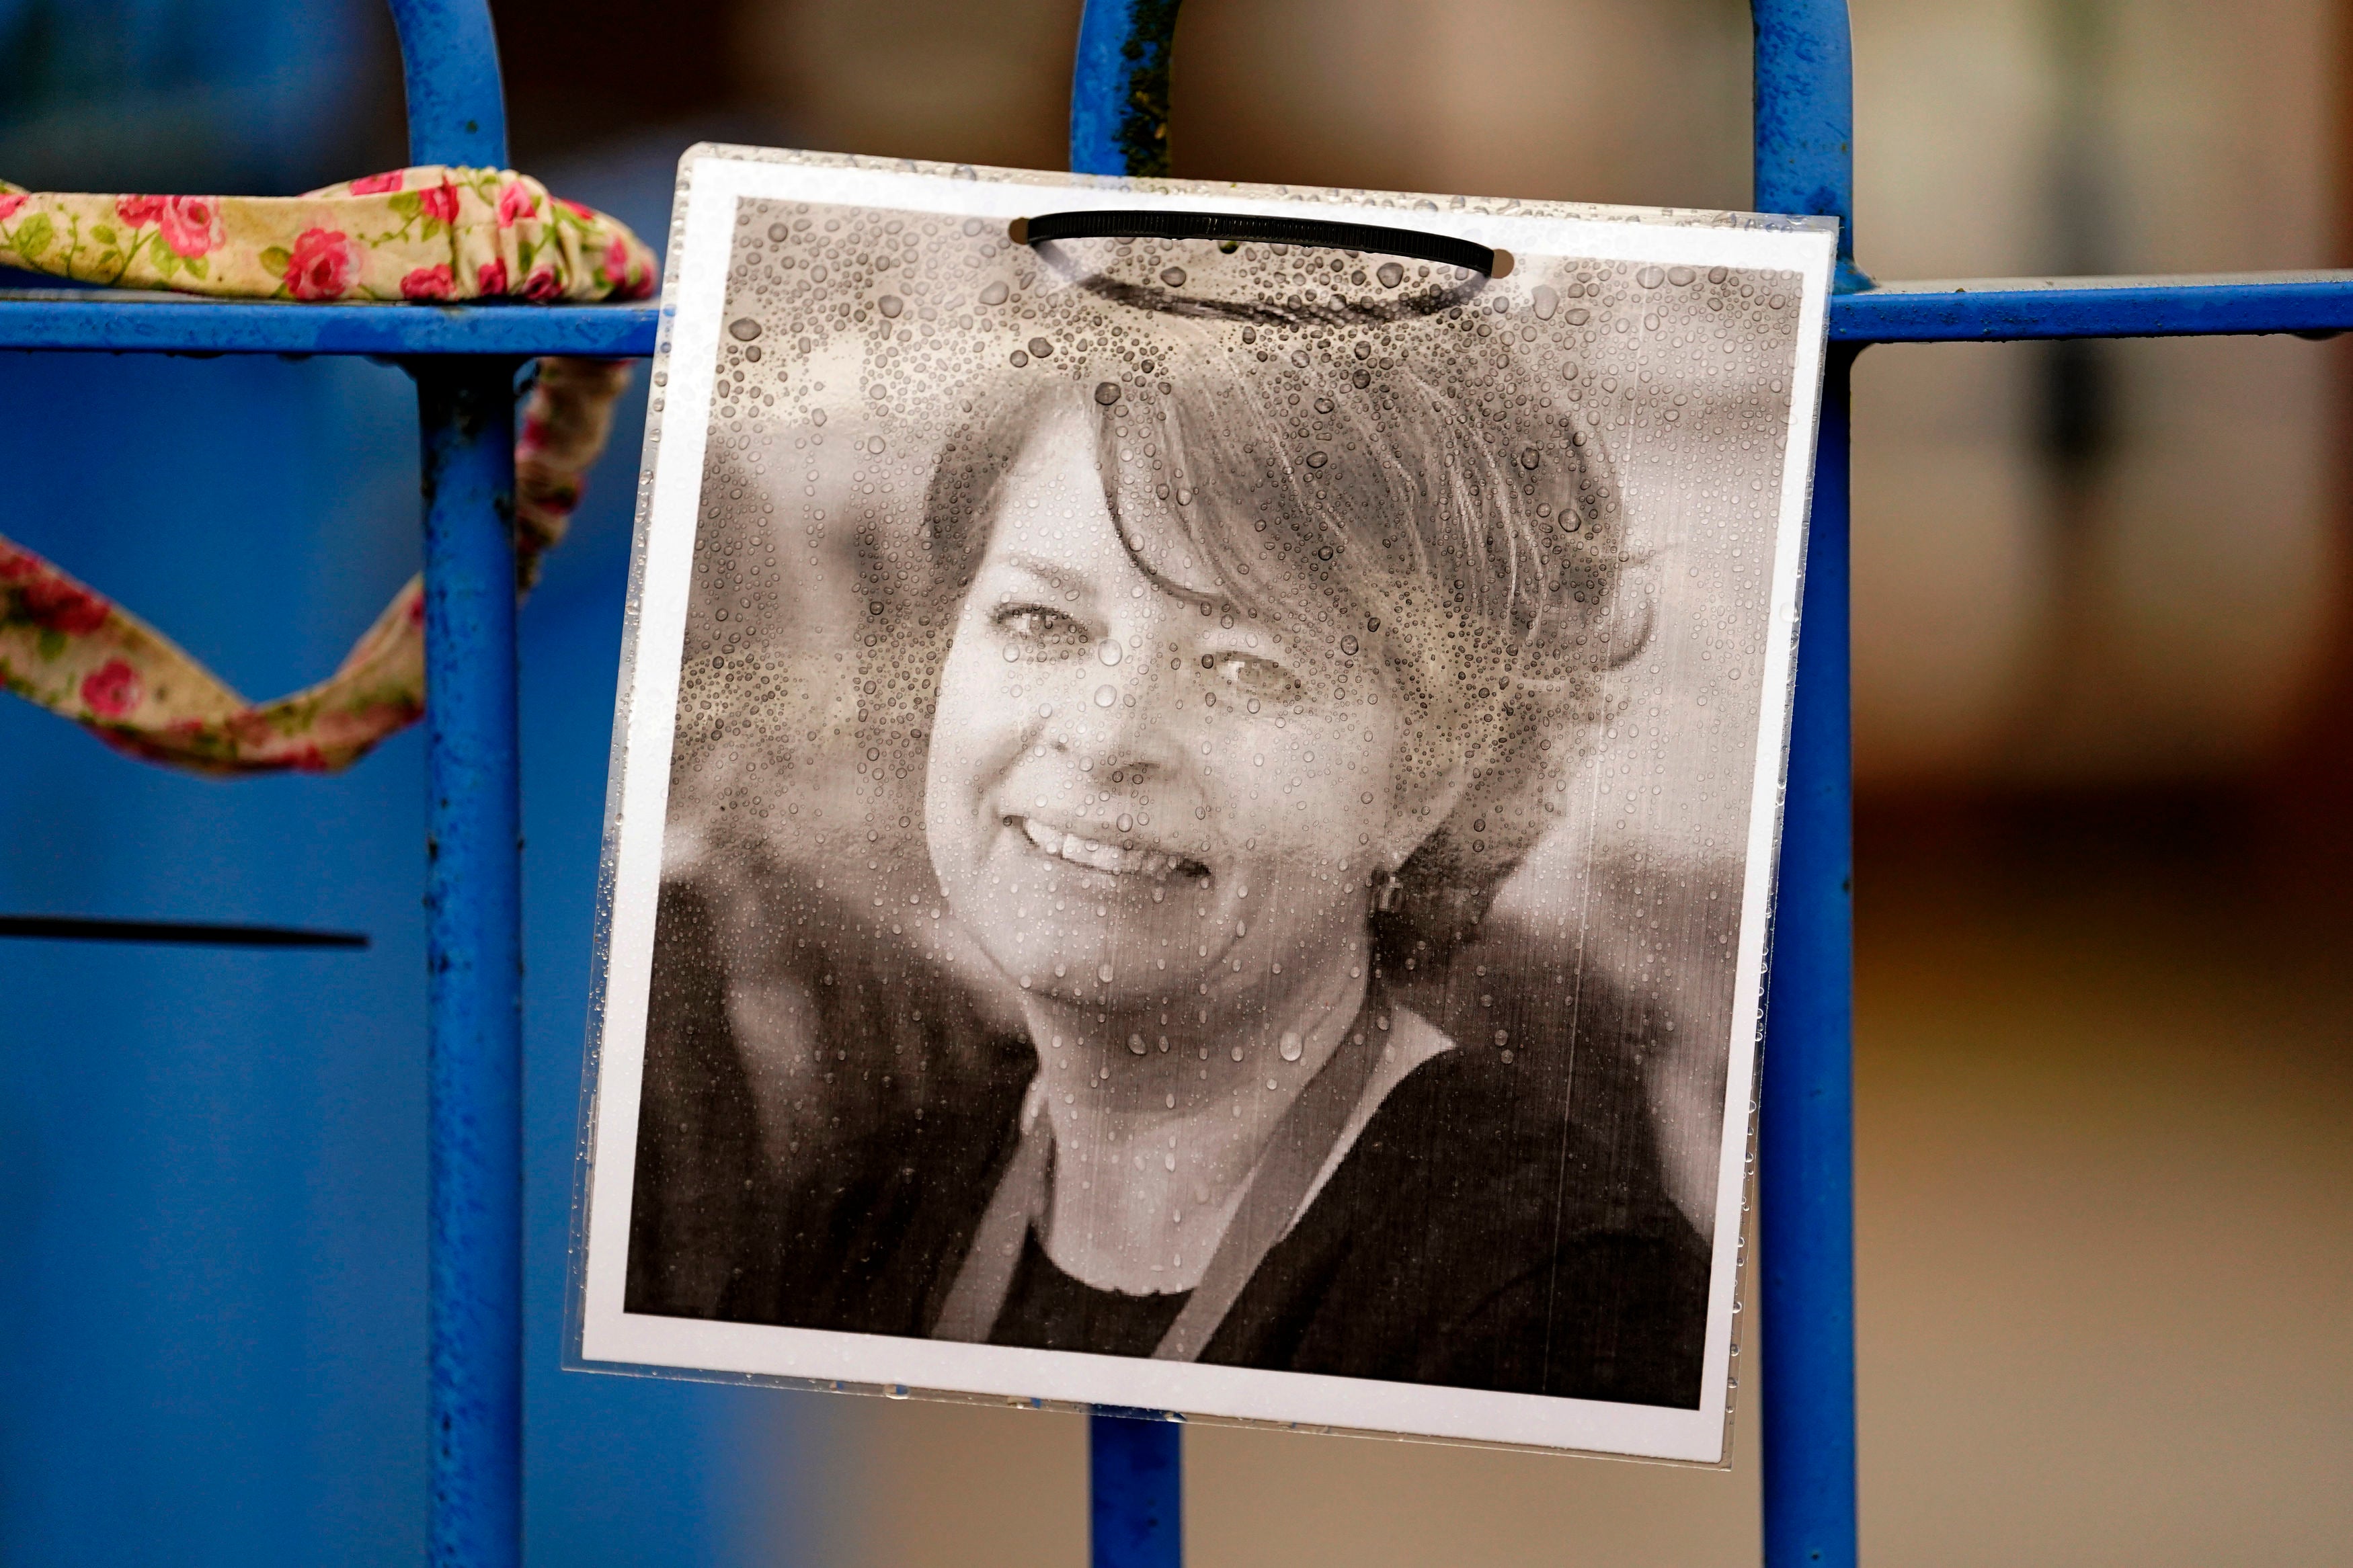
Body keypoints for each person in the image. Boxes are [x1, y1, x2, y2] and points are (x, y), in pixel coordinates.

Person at [627, 261, 1709, 1407]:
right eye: (1041, 619)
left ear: (1432, 778)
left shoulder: (1565, 1302)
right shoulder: (865, 1206)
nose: (1104, 738)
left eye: (1247, 665)